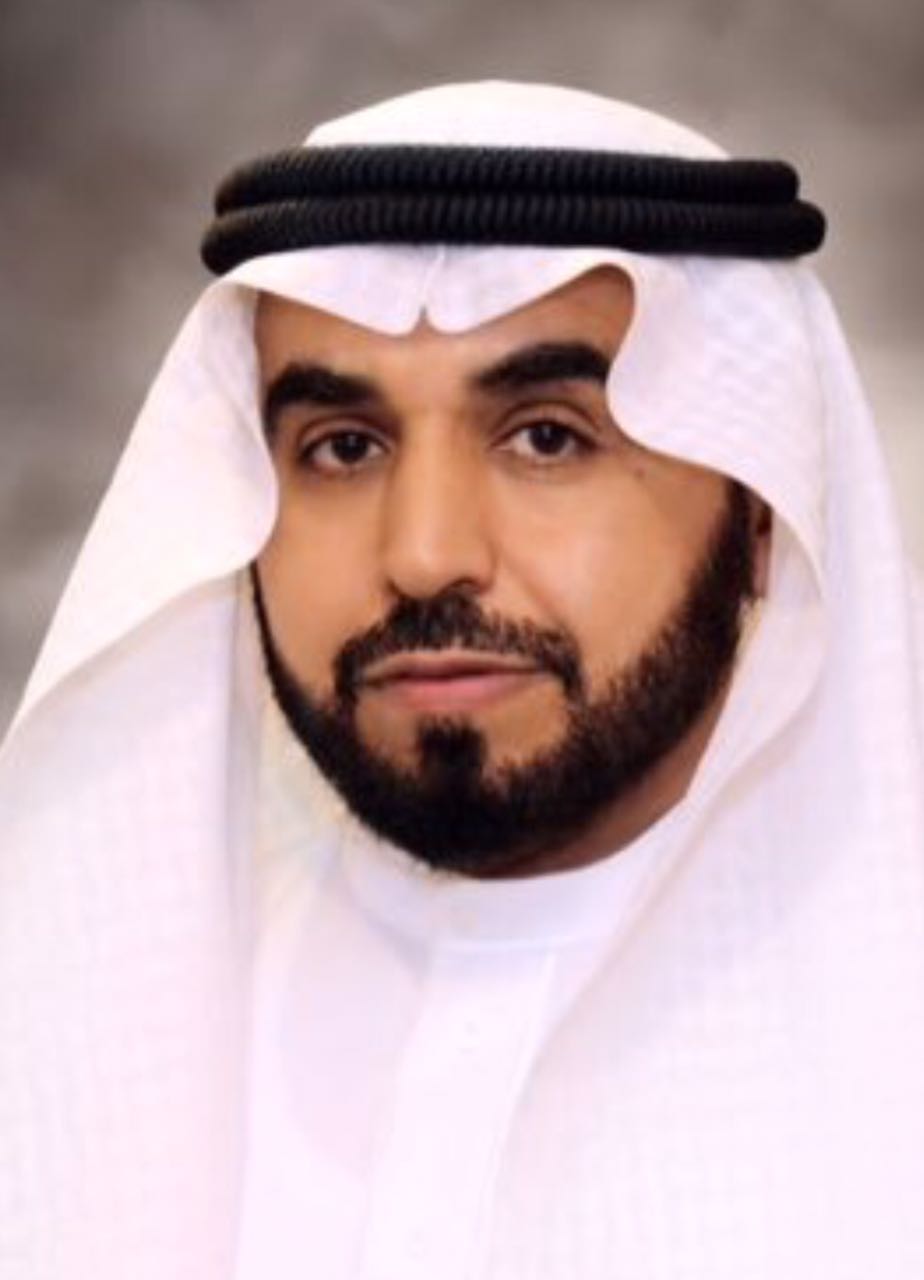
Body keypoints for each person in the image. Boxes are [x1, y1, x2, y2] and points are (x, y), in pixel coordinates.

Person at [1, 80, 922, 1280]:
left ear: (758, 511)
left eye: (547, 436)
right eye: (343, 447)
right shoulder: (70, 1036)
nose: (425, 551)